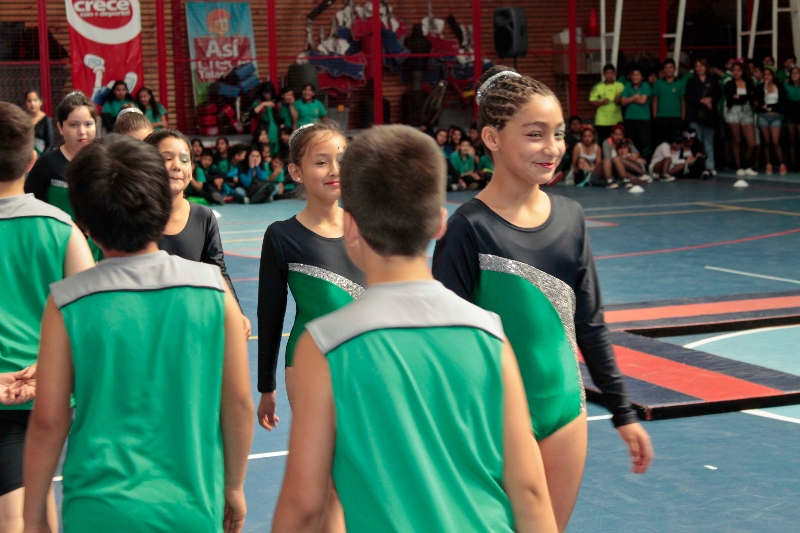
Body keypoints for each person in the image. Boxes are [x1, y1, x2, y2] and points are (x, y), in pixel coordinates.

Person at [272, 124, 558, 533]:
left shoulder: (325, 346)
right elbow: (529, 491)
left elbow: (304, 506)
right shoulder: (489, 334)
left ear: (350, 226)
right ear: (440, 223)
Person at [433, 66, 654, 531]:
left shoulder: (571, 217)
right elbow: (445, 345)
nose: (552, 147)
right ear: (492, 137)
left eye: (558, 133)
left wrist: (623, 411)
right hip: (491, 419)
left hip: (565, 411)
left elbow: (590, 323)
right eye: (535, 134)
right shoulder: (468, 229)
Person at [22, 134, 254, 533]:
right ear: (162, 205)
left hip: (97, 510)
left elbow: (48, 421)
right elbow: (238, 404)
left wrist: (33, 518)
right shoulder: (215, 292)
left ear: (85, 224)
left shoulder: (66, 302)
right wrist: (233, 485)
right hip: (190, 508)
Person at [0, 101, 94, 533]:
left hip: (9, 395)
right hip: (50, 390)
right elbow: (92, 319)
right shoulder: (62, 228)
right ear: (31, 160)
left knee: (15, 512)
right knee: (35, 498)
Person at [144, 129, 247, 334]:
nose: (176, 165)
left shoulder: (203, 216)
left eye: (184, 160)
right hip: (147, 323)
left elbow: (217, 270)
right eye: (166, 158)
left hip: (190, 323)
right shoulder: (135, 217)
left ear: (191, 170)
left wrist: (236, 313)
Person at [25, 91, 97, 218]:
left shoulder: (104, 160)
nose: (82, 131)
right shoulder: (47, 164)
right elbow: (30, 203)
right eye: (74, 125)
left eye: (88, 124)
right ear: (60, 128)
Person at [685, 58, 721, 175]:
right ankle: (699, 166)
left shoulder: (713, 81)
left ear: (706, 67)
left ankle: (710, 166)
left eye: (702, 66)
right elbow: (688, 97)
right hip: (695, 115)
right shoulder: (691, 81)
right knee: (697, 142)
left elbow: (718, 95)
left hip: (709, 116)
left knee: (708, 142)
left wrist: (710, 99)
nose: (699, 68)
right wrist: (701, 100)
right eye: (697, 66)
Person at [724, 61, 758, 176]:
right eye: (734, 70)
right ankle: (738, 167)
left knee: (751, 143)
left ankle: (747, 165)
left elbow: (752, 97)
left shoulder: (749, 83)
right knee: (736, 140)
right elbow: (730, 99)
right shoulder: (729, 84)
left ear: (742, 71)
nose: (736, 72)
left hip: (747, 111)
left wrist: (739, 97)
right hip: (733, 112)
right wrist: (743, 97)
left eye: (738, 70)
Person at [754, 67, 787, 175]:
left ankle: (782, 163)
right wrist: (764, 88)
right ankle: (768, 164)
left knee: (776, 141)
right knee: (766, 141)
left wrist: (770, 107)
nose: (767, 77)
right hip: (763, 116)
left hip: (775, 116)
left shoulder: (779, 86)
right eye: (765, 75)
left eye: (769, 74)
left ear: (773, 76)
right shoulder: (759, 88)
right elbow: (759, 102)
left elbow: (782, 102)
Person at [652, 58, 686, 147]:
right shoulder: (658, 83)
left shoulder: (680, 83)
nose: (668, 69)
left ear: (675, 69)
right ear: (663, 69)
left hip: (676, 117)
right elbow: (655, 100)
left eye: (671, 67)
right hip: (661, 117)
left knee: (676, 143)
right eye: (666, 67)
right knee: (662, 144)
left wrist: (682, 118)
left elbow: (683, 101)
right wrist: (655, 117)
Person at [620, 67, 652, 157]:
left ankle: (645, 162)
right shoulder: (627, 85)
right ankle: (633, 161)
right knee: (631, 142)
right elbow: (623, 102)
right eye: (633, 74)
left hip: (643, 119)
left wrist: (629, 99)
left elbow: (642, 101)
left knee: (644, 142)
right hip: (629, 118)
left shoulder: (646, 85)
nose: (635, 77)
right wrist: (635, 96)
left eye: (637, 75)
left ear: (642, 77)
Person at [589, 63, 624, 142]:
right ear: (604, 74)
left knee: (618, 142)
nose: (609, 75)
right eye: (607, 73)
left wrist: (619, 100)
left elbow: (625, 99)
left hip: (617, 120)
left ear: (614, 74)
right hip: (602, 121)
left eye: (611, 73)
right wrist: (602, 102)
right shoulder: (598, 87)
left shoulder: (620, 86)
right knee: (603, 142)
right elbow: (591, 102)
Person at [250, 81, 280, 156]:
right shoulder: (258, 102)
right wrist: (263, 104)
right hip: (262, 129)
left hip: (274, 131)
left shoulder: (276, 102)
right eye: (265, 93)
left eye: (269, 93)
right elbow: (252, 113)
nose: (267, 95)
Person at [24, 89, 54, 154]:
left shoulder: (46, 121)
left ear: (41, 102)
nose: (32, 103)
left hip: (42, 156)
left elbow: (50, 145)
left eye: (35, 100)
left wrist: (41, 158)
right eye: (29, 101)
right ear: (25, 103)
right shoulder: (23, 120)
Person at [783, 67, 800, 169]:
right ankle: (793, 164)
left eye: (796, 73)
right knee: (792, 140)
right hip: (790, 112)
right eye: (792, 73)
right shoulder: (786, 85)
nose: (794, 75)